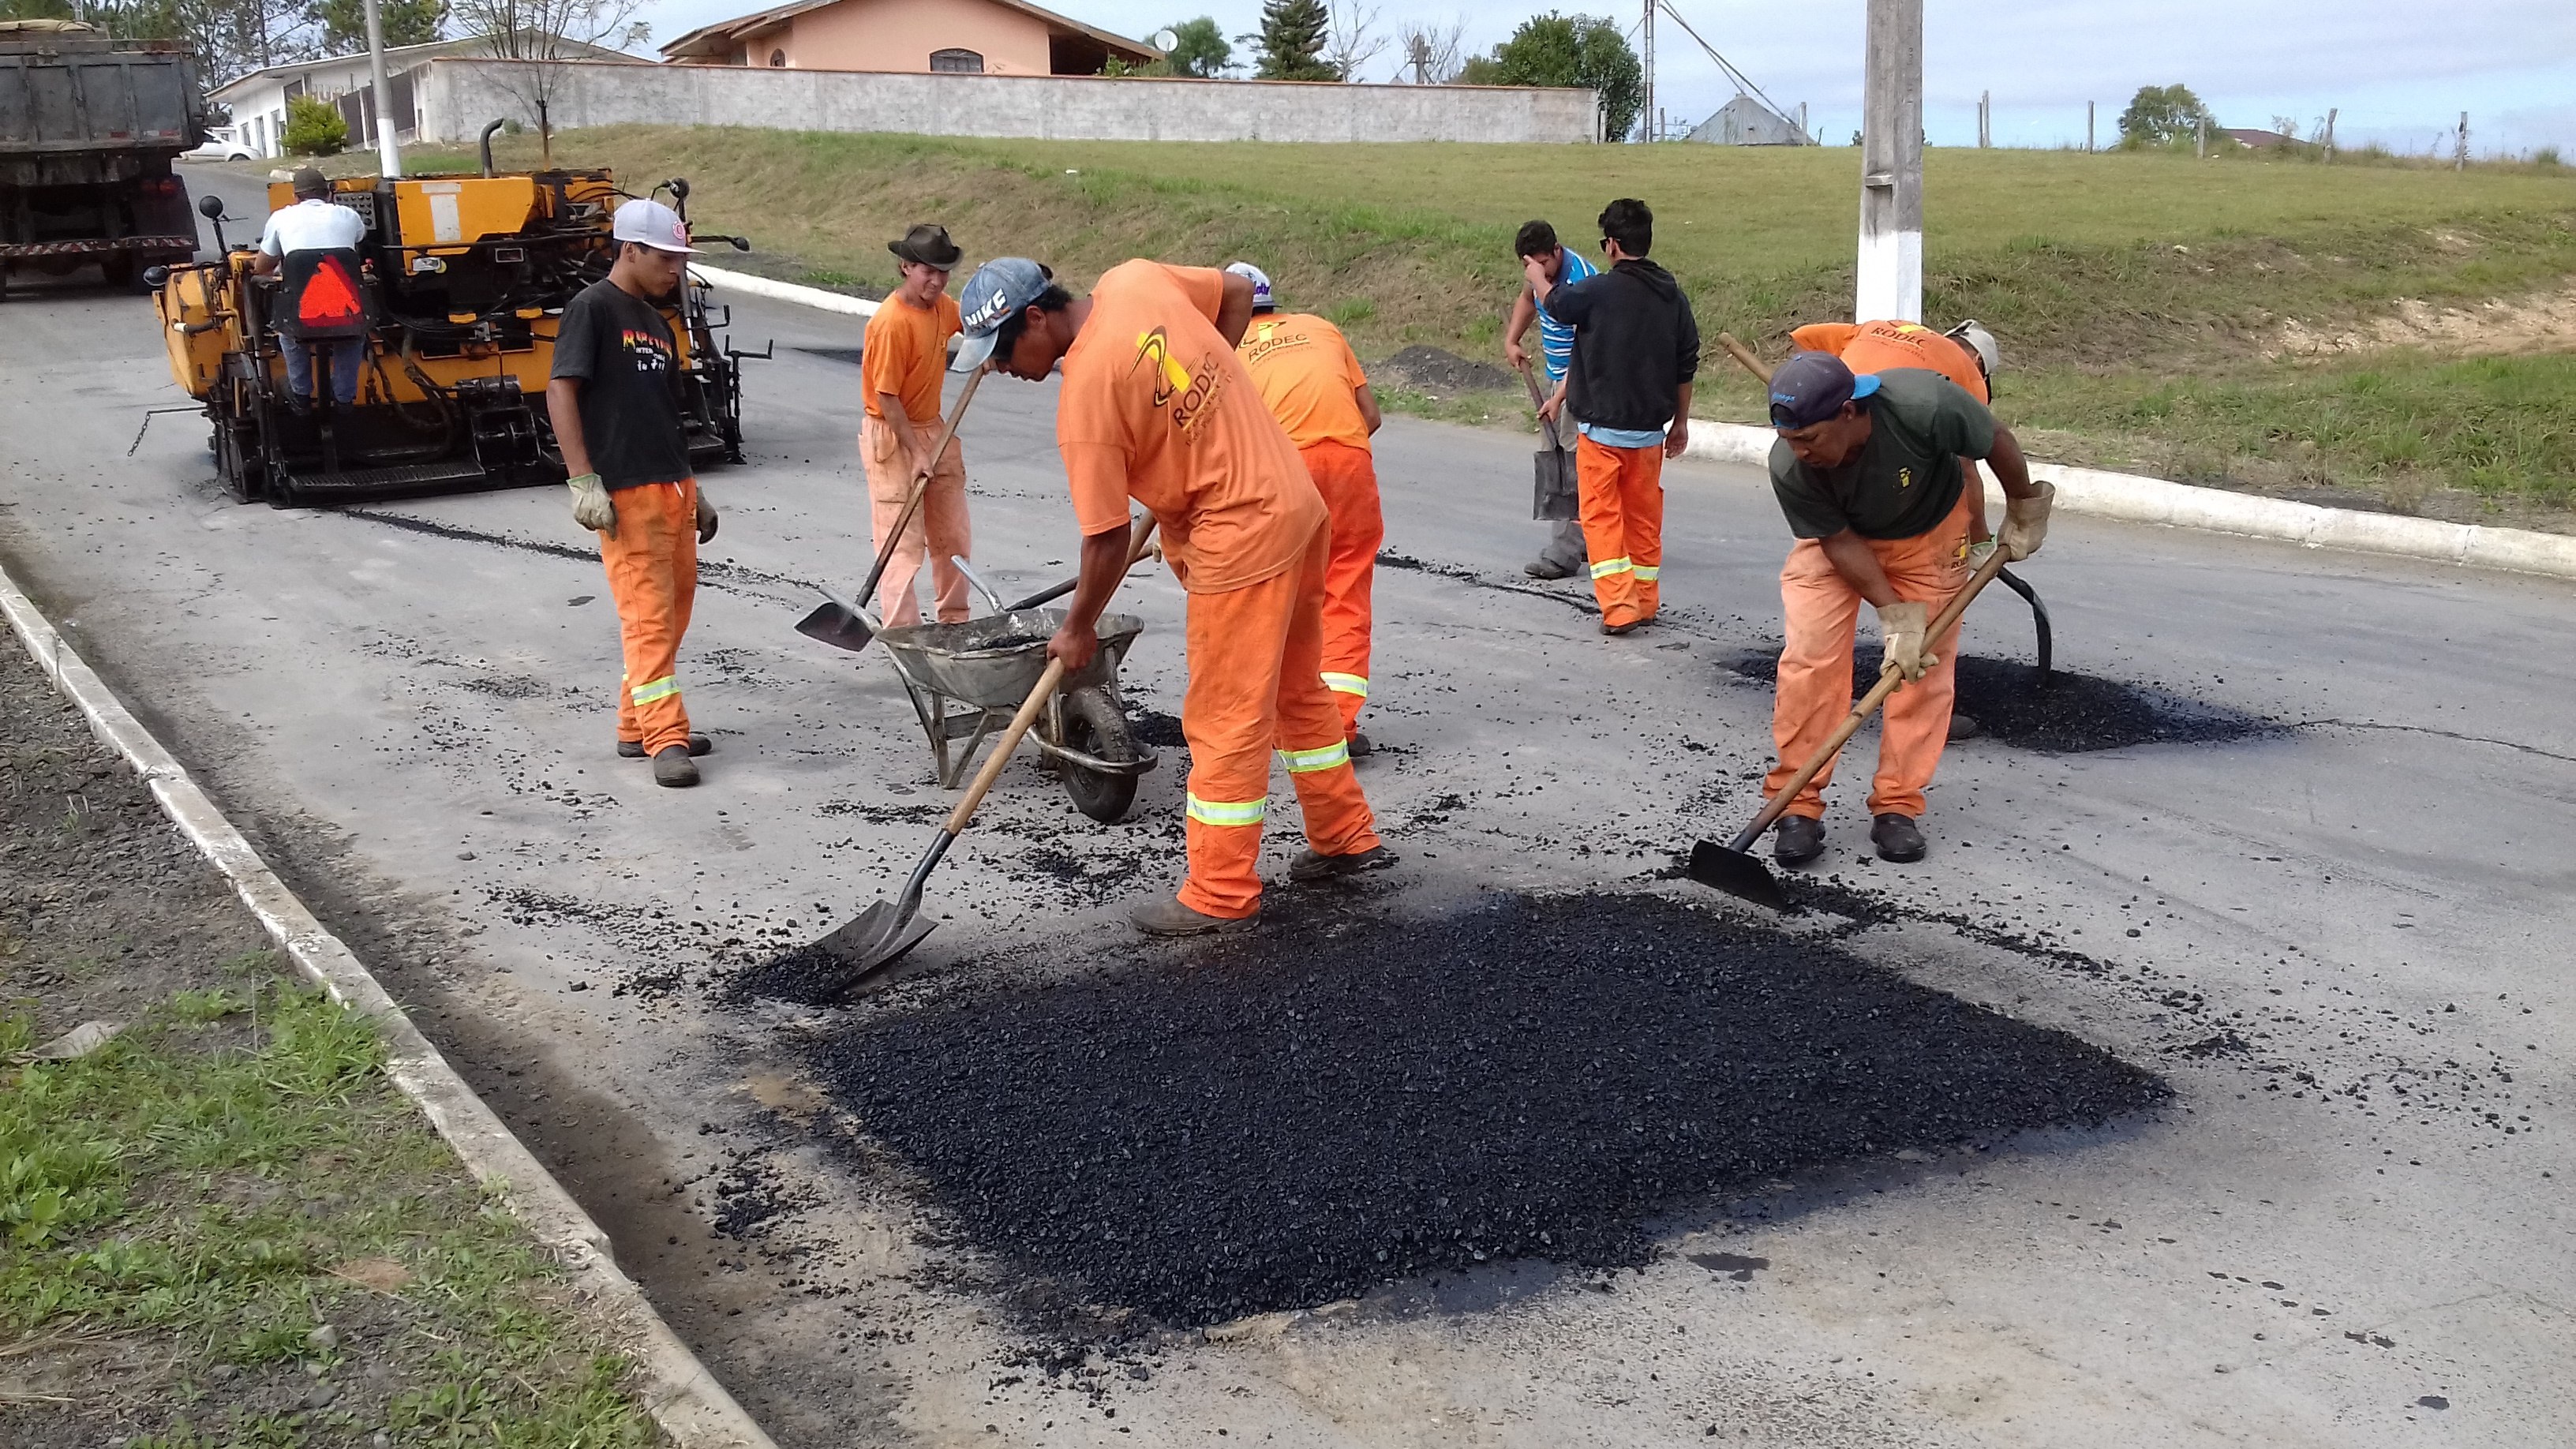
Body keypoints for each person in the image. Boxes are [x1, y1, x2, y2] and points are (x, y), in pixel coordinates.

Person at [949, 256, 1388, 936]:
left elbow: (1103, 541)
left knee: (1224, 717)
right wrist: (1210, 414)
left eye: (1002, 353)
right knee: (1297, 690)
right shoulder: (1135, 281)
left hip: (1241, 540)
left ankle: (1219, 891)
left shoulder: (1086, 398)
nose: (999, 369)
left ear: (1037, 317)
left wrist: (1077, 628)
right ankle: (1345, 835)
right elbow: (1238, 291)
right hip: (1296, 505)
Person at [1762, 352, 2055, 864]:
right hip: (1839, 547)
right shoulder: (1790, 463)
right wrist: (1894, 613)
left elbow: (1996, 441)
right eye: (1791, 440)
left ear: (1850, 412)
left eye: (1809, 438)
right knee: (1809, 661)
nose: (1800, 451)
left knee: (1921, 671)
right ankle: (1798, 805)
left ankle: (1898, 805)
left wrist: (2024, 505)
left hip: (1929, 537)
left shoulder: (1925, 404)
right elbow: (1837, 541)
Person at [545, 198, 719, 789]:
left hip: (672, 486)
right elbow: (561, 391)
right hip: (626, 493)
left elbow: (665, 411)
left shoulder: (654, 321)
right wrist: (582, 478)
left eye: (679, 259)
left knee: (671, 615)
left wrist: (696, 489)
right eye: (666, 258)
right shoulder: (591, 309)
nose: (676, 270)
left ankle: (635, 723)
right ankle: (665, 737)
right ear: (630, 250)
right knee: (647, 618)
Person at [1790, 316, 2004, 738]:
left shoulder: (1870, 330)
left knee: (1814, 654)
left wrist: (1805, 409)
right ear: (1977, 359)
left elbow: (1803, 343)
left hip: (1849, 443)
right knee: (1925, 646)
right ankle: (1906, 758)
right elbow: (1967, 468)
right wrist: (1980, 540)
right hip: (1857, 499)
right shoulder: (1962, 380)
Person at [1223, 260, 1385, 757]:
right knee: (1344, 588)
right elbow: (1371, 416)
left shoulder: (1223, 352)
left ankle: (1278, 724)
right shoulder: (1321, 328)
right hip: (1351, 461)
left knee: (1274, 597)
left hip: (1285, 473)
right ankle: (1339, 725)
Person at [1526, 198, 1700, 635]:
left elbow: (1559, 306)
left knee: (1602, 520)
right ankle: (1644, 600)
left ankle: (1620, 608)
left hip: (1602, 435)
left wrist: (1536, 279)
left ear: (1612, 245)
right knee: (1643, 521)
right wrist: (1680, 423)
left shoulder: (1598, 292)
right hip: (1648, 435)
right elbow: (1686, 363)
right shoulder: (1672, 297)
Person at [860, 223, 972, 627]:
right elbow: (887, 397)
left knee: (952, 535)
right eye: (929, 271)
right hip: (892, 435)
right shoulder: (891, 323)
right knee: (902, 544)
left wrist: (993, 348)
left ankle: (955, 621)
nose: (938, 280)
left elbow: (973, 324)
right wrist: (916, 452)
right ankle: (905, 632)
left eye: (944, 272)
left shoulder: (941, 306)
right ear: (906, 267)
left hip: (933, 428)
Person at [1501, 219, 1597, 579]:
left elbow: (1588, 349)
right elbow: (1529, 298)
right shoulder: (1536, 274)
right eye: (1530, 267)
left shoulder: (1584, 282)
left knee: (1571, 463)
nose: (1536, 274)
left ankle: (1565, 551)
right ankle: (1588, 535)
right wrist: (1512, 340)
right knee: (1553, 457)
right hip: (1555, 377)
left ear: (1557, 251)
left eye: (1542, 265)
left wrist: (1560, 397)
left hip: (1582, 382)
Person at [249, 167, 368, 412]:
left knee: (289, 333)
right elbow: (358, 241)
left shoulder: (281, 218)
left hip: (303, 312)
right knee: (354, 335)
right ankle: (344, 398)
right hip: (344, 307)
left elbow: (262, 267)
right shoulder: (348, 215)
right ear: (329, 194)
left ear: (295, 196)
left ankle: (301, 394)